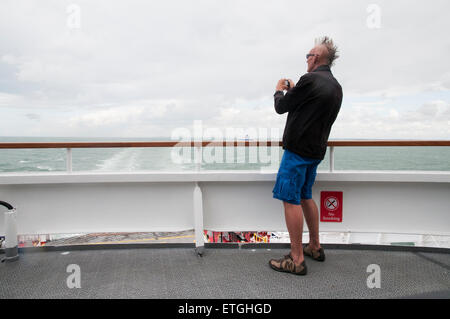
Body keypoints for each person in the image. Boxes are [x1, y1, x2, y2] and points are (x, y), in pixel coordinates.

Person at [269, 37, 343, 275]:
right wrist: (295, 91)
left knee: (290, 199)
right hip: (315, 153)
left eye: (309, 55)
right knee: (305, 195)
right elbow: (310, 106)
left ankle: (297, 258)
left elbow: (281, 107)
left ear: (317, 58)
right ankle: (314, 246)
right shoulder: (335, 86)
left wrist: (279, 90)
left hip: (297, 152)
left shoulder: (309, 80)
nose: (307, 59)